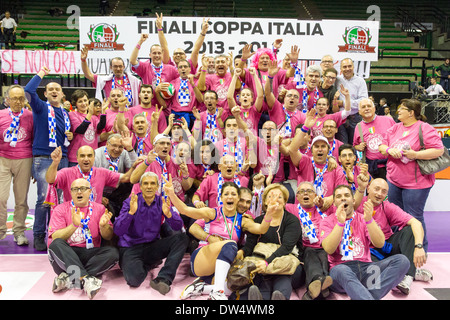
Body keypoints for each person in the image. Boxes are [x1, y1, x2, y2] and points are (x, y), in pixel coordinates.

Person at [171, 179, 275, 300]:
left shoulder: (243, 219)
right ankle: (218, 292)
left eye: (233, 194)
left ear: (237, 199)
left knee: (238, 284)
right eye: (226, 194)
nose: (229, 197)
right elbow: (185, 210)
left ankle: (200, 288)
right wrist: (171, 194)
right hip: (202, 259)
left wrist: (269, 214)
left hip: (222, 264)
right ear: (221, 198)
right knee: (231, 244)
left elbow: (261, 229)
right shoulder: (212, 213)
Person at [319, 184, 410, 300]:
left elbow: (380, 243)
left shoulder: (363, 218)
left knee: (402, 261)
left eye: (346, 195)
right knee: (341, 270)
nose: (343, 198)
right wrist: (340, 223)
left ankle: (364, 295)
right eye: (338, 196)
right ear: (334, 202)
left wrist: (369, 220)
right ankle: (364, 295)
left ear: (353, 200)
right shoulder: (326, 221)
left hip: (367, 268)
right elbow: (329, 249)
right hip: (341, 270)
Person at [378, 98, 445, 252]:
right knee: (395, 216)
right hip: (394, 180)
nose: (398, 111)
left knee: (414, 216)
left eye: (401, 108)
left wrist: (415, 154)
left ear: (411, 113)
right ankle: (399, 249)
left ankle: (419, 251)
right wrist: (388, 150)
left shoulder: (424, 128)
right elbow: (382, 145)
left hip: (416, 184)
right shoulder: (395, 128)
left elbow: (438, 150)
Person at [114, 172, 189, 293]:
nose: (149, 186)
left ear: (157, 186)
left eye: (152, 183)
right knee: (134, 280)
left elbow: (178, 226)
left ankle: (164, 278)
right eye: (146, 184)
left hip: (152, 246)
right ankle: (146, 264)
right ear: (141, 186)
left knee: (182, 238)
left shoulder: (162, 202)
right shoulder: (130, 202)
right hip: (130, 247)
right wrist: (130, 213)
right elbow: (118, 230)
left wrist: (169, 214)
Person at [355, 177, 433, 295]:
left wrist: (419, 246)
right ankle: (410, 271)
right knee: (370, 274)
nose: (379, 194)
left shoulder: (386, 206)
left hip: (387, 247)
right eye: (376, 189)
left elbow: (416, 223)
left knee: (410, 230)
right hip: (367, 251)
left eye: (384, 191)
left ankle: (408, 276)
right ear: (368, 188)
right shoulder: (358, 204)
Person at [47, 178, 119, 299]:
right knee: (56, 244)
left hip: (89, 254)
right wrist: (74, 225)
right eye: (75, 189)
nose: (79, 192)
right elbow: (55, 236)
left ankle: (71, 279)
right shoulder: (60, 209)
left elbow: (109, 236)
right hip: (68, 254)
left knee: (113, 253)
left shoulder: (100, 208)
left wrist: (103, 226)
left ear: (90, 191)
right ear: (71, 192)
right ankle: (86, 279)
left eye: (83, 189)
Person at [25, 67, 71, 251]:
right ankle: (38, 236)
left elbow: (65, 137)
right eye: (50, 89)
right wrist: (41, 73)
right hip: (44, 157)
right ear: (45, 93)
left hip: (63, 159)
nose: (53, 91)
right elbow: (28, 91)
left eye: (57, 89)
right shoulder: (40, 107)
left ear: (62, 94)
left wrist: (70, 135)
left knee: (59, 200)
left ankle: (56, 235)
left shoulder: (66, 113)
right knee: (45, 200)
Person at [236, 183, 302, 300]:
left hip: (286, 263)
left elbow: (286, 248)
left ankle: (279, 297)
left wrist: (267, 262)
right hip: (261, 263)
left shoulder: (292, 221)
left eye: (279, 197)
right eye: (271, 196)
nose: (275, 199)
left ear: (285, 201)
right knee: (259, 274)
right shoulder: (258, 221)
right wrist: (242, 252)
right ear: (265, 202)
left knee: (282, 276)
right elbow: (250, 245)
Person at [286, 181, 332, 300]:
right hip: (304, 249)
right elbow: (271, 204)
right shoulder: (290, 208)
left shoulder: (324, 208)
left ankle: (315, 288)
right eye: (301, 191)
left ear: (316, 195)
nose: (305, 194)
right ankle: (319, 280)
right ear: (297, 197)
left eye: (309, 191)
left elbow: (344, 201)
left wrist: (327, 201)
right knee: (310, 252)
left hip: (324, 247)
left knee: (324, 255)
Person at [0, 85, 33, 245]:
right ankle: (0, 231)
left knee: (21, 199)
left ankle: (19, 232)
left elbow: (34, 138)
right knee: (1, 197)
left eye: (21, 98)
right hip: (3, 159)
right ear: (7, 100)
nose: (18, 101)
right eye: (15, 98)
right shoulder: (0, 116)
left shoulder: (30, 116)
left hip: (24, 159)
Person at [45, 145, 135, 204]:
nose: (86, 159)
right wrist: (55, 163)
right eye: (82, 156)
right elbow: (50, 180)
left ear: (94, 157)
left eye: (89, 155)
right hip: (71, 215)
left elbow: (126, 178)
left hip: (94, 215)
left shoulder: (102, 172)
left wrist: (135, 165)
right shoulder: (67, 172)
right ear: (77, 158)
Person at [130, 34, 179, 117]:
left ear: (162, 54)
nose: (157, 55)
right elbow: (132, 60)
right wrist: (140, 42)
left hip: (166, 111)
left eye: (159, 53)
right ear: (150, 55)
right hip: (149, 109)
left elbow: (181, 81)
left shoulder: (171, 69)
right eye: (154, 53)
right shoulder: (145, 67)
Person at [94, 133, 139, 218]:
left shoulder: (124, 153)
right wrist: (99, 196)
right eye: (114, 145)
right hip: (100, 191)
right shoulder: (96, 155)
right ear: (107, 144)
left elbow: (137, 168)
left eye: (121, 146)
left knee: (134, 182)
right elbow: (91, 178)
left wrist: (129, 148)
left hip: (117, 190)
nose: (117, 149)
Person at [353, 98, 396, 180]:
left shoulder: (388, 120)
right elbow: (355, 145)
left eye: (369, 106)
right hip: (373, 168)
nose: (366, 108)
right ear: (359, 111)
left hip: (391, 165)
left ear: (374, 108)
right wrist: (358, 147)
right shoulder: (358, 127)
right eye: (363, 107)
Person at [67, 90, 106, 166]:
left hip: (91, 157)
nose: (84, 103)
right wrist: (90, 114)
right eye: (80, 101)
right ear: (75, 103)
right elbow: (80, 130)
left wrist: (103, 112)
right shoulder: (72, 114)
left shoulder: (94, 117)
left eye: (85, 100)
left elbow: (100, 127)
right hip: (76, 158)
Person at [335, 58, 369, 144]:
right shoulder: (337, 80)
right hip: (341, 117)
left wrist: (344, 103)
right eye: (344, 67)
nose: (347, 69)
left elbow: (363, 101)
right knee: (342, 144)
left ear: (353, 67)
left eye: (349, 66)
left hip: (355, 117)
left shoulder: (360, 81)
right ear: (341, 69)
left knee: (356, 144)